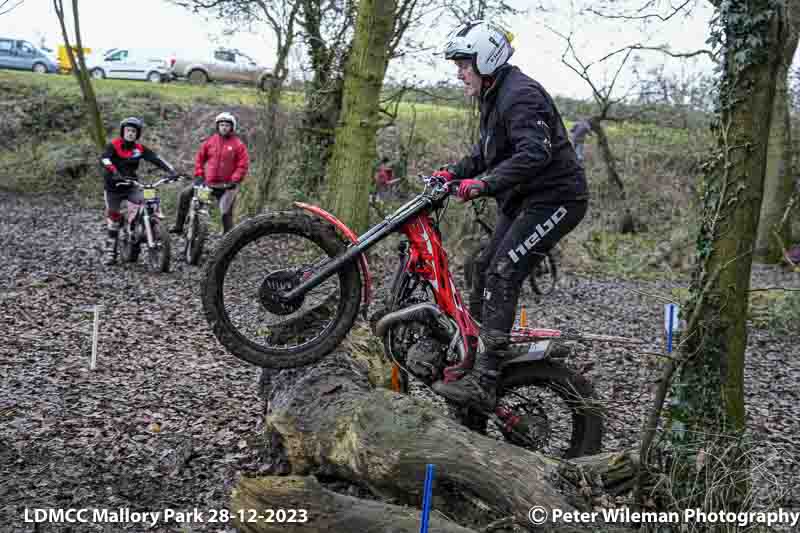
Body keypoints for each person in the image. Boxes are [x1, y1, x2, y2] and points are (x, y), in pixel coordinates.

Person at [430, 20, 589, 412]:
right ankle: (475, 358)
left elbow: (535, 154)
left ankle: (485, 381)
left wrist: (484, 185)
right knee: (483, 266)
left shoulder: (520, 96)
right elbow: (485, 154)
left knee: (503, 271)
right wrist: (452, 172)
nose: (458, 73)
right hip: (526, 200)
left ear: (486, 60)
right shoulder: (494, 96)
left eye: (463, 65)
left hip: (558, 200)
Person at [99, 117, 177, 265]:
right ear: (123, 131)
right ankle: (111, 253)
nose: (130, 133)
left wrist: (171, 171)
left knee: (148, 201)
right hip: (113, 187)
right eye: (128, 130)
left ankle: (147, 229)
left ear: (137, 134)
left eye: (133, 131)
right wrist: (114, 172)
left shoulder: (139, 149)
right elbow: (104, 159)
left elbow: (156, 158)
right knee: (114, 220)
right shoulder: (114, 146)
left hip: (131, 185)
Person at [171, 112, 249, 235]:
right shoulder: (210, 141)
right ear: (217, 126)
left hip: (226, 186)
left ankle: (228, 242)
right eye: (221, 125)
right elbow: (200, 159)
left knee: (226, 213)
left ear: (232, 127)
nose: (224, 127)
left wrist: (235, 180)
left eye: (227, 125)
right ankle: (179, 226)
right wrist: (199, 175)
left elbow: (243, 165)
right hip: (208, 184)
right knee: (186, 194)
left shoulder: (238, 145)